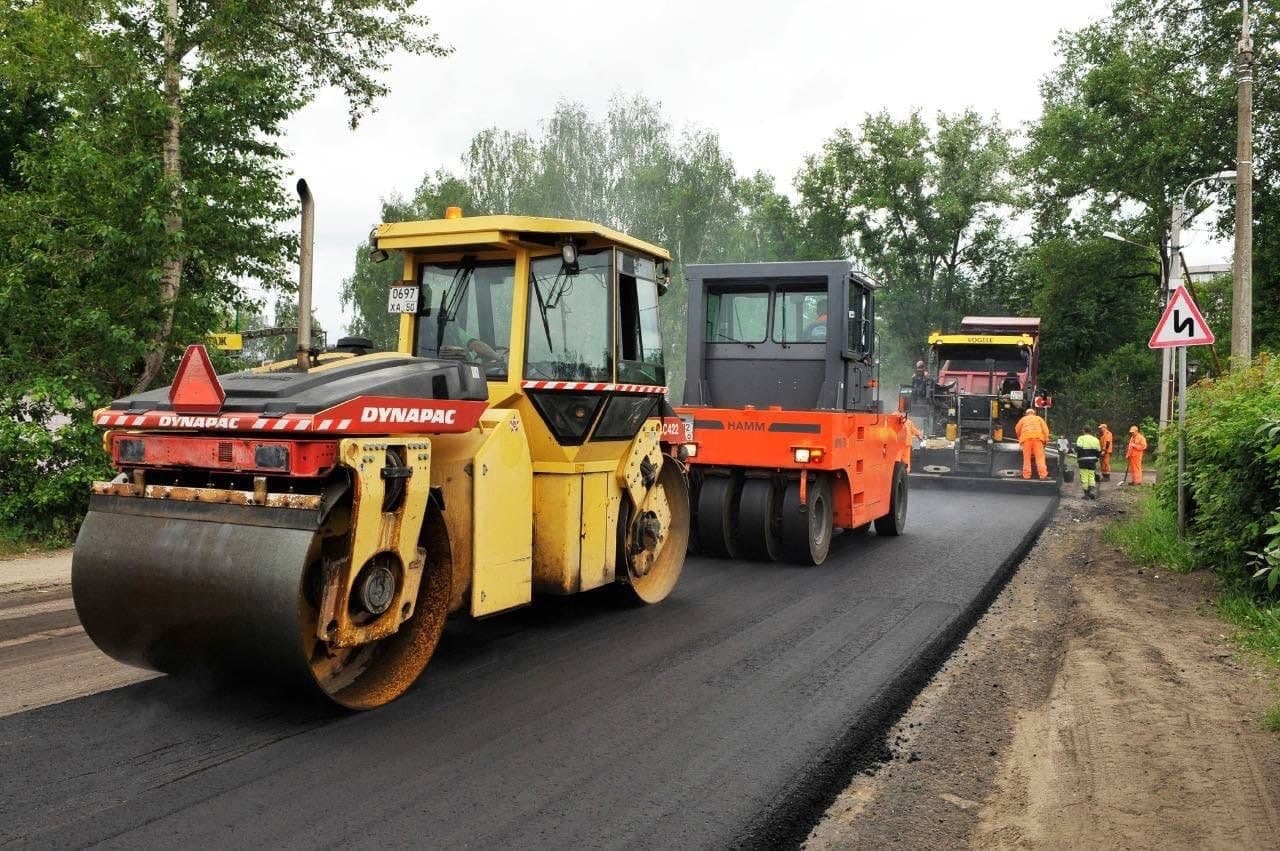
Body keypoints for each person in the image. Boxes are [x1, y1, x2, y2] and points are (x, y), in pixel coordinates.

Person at [1015, 407, 1050, 480]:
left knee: (1026, 458)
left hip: (1026, 440)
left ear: (1026, 414)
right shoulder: (1039, 418)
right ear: (1034, 413)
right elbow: (1045, 430)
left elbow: (1017, 429)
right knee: (1040, 458)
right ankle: (1043, 476)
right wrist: (1046, 440)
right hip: (1037, 440)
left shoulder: (1023, 419)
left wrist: (1020, 438)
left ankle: (1026, 476)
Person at [1076, 424, 1102, 499]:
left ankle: (1086, 494)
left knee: (1084, 476)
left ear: (1083, 430)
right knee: (1091, 475)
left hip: (1083, 460)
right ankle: (1092, 492)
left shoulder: (1081, 438)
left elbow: (1078, 448)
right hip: (1092, 461)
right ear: (1090, 431)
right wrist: (1095, 458)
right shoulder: (1095, 439)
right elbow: (1098, 452)